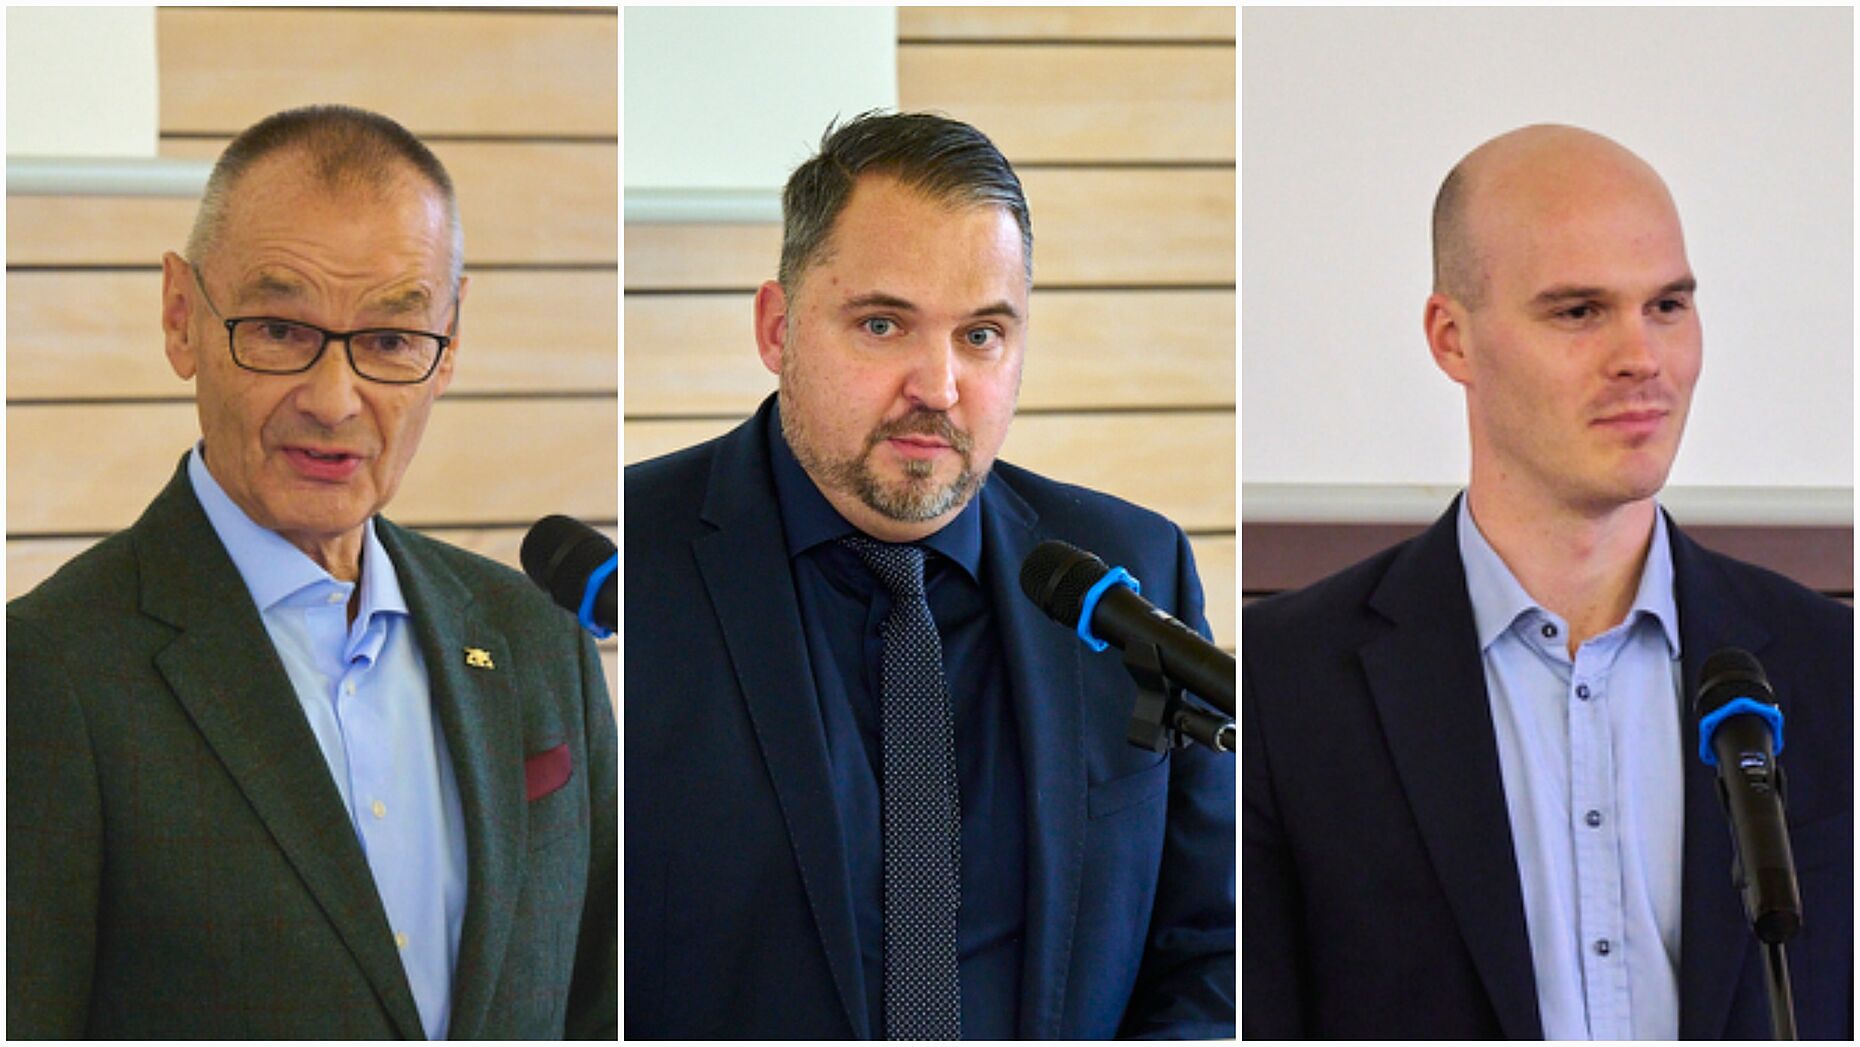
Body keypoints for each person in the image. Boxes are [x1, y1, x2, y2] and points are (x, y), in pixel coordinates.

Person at [6, 105, 616, 1039]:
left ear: (449, 341)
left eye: (389, 339)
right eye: (282, 329)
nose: (335, 401)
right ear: (181, 319)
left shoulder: (535, 639)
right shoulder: (51, 672)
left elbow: (600, 1002)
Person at [624, 111, 1235, 1039]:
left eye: (982, 335)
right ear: (777, 327)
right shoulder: (634, 558)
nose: (939, 386)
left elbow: (1211, 944)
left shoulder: (1133, 568)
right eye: (883, 324)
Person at [1242, 124, 1852, 1039]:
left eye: (1669, 306)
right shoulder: (1286, 685)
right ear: (1453, 339)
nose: (1642, 358)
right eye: (1579, 312)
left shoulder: (1832, 669)